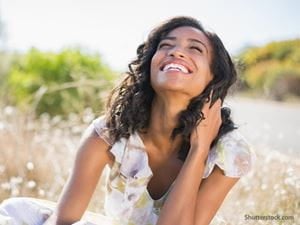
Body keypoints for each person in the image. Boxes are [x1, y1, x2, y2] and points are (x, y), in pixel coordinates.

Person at [0, 16, 255, 225]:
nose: (177, 52)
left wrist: (199, 150)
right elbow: (63, 220)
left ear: (213, 77)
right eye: (166, 45)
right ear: (150, 64)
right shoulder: (109, 133)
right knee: (15, 210)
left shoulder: (229, 152)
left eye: (195, 48)